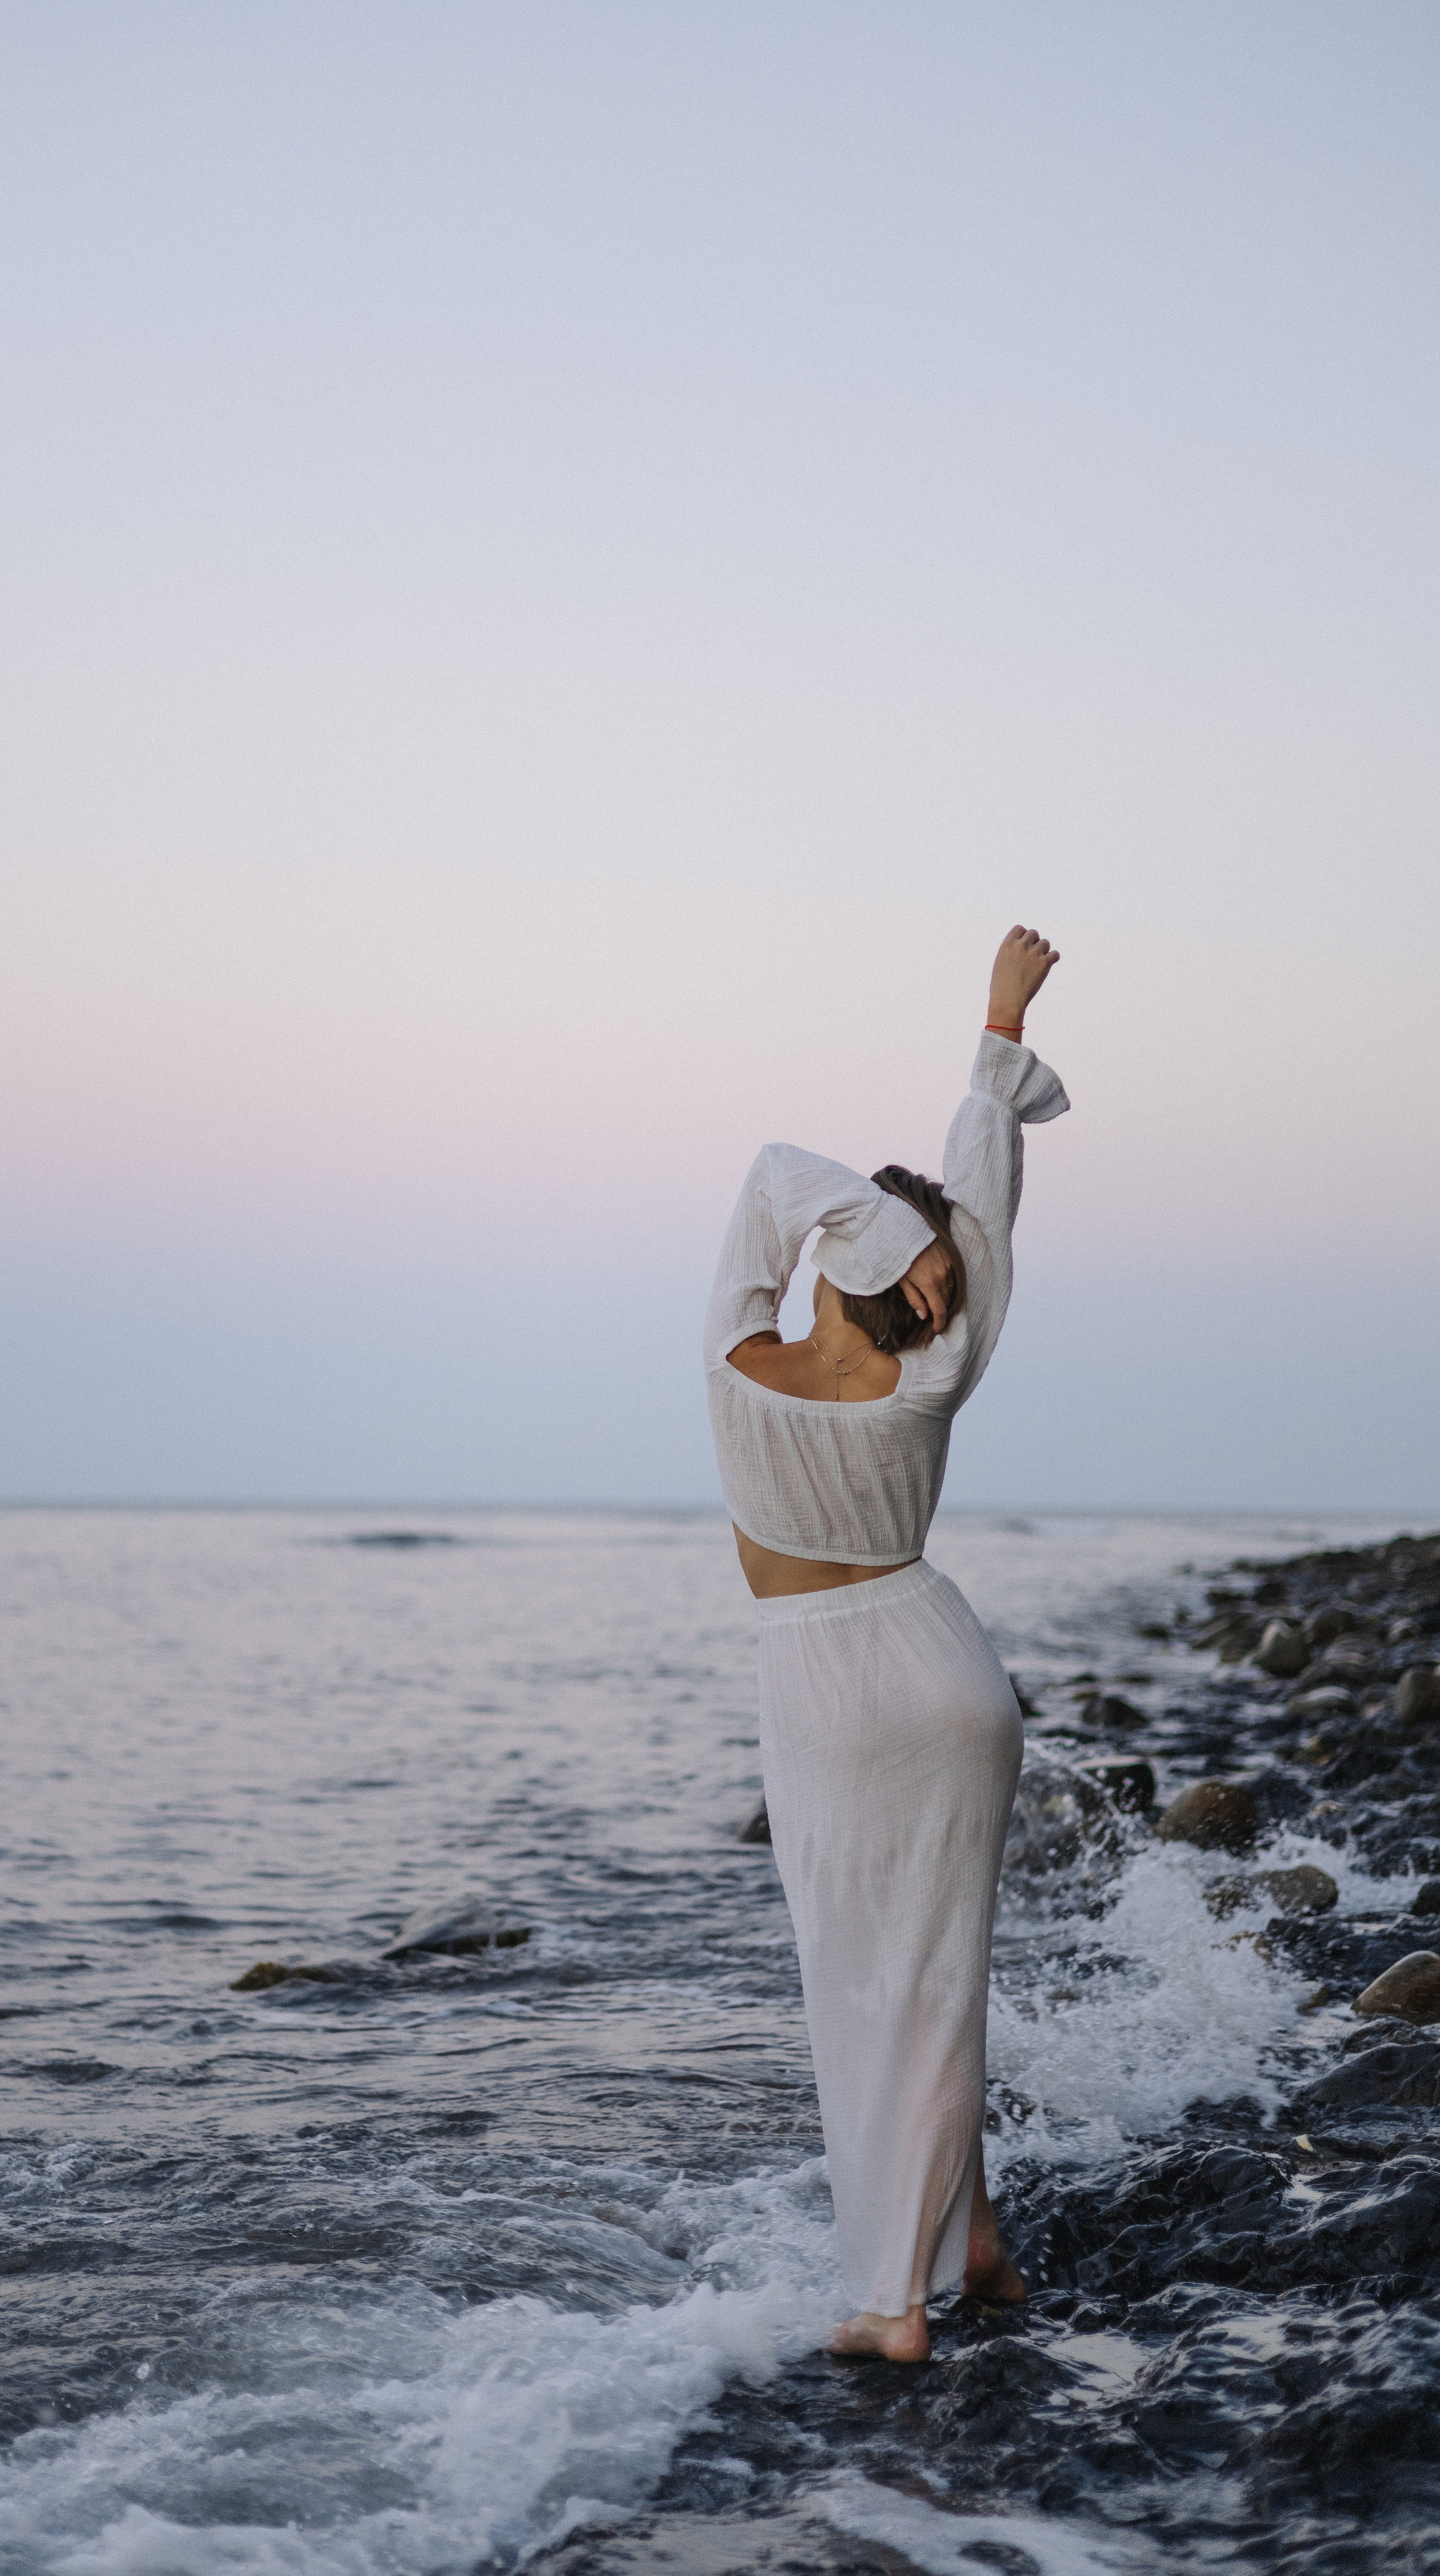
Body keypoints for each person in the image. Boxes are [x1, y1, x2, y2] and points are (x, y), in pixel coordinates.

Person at [703, 925, 1066, 2362]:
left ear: (830, 1260)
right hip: (943, 1664)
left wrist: (882, 1227)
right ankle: (970, 2241)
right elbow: (984, 1203)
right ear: (919, 1284)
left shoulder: (737, 1361)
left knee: (866, 1996)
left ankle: (887, 2304)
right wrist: (994, 1030)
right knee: (938, 1976)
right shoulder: (931, 1379)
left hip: (824, 1684)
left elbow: (768, 1174)